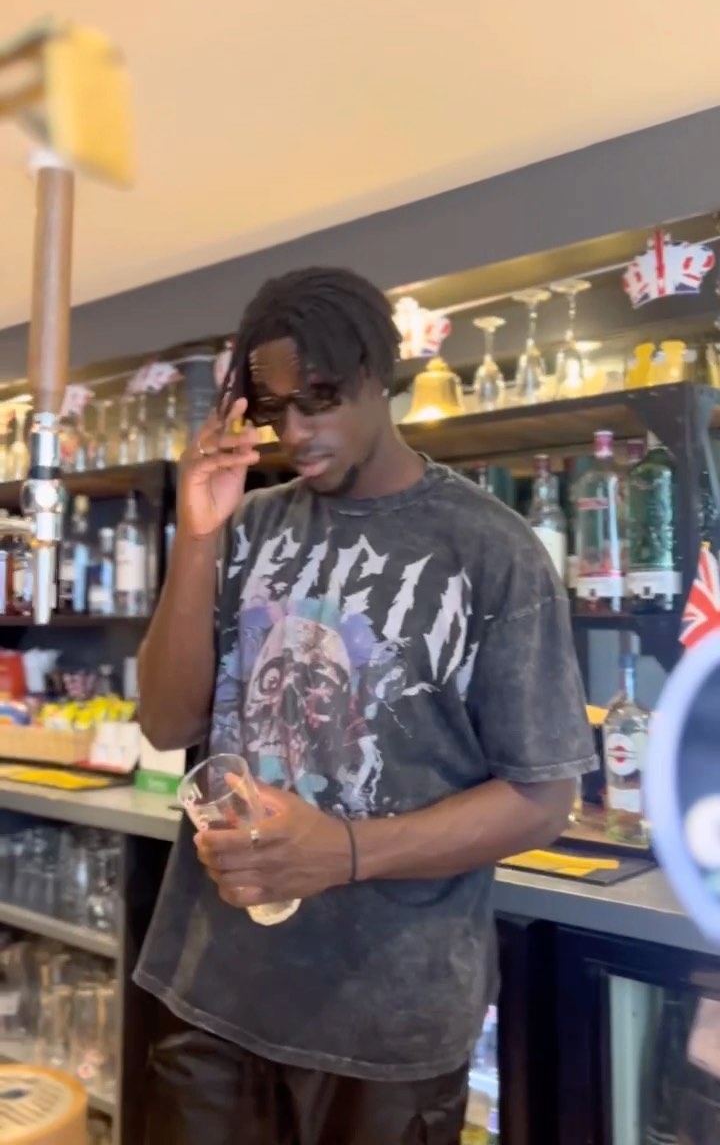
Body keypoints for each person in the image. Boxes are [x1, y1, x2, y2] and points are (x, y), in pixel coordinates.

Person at [135, 266, 596, 1145]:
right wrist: (196, 536)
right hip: (213, 994)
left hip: (388, 1024)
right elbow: (165, 723)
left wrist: (341, 852)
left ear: (380, 374)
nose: (294, 432)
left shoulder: (491, 550)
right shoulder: (246, 525)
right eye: (274, 410)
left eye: (320, 398)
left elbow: (543, 799)